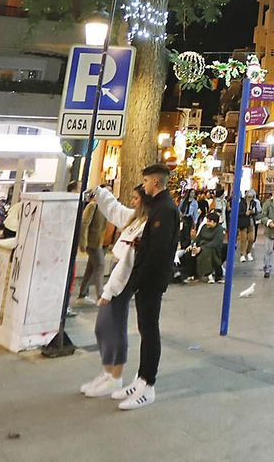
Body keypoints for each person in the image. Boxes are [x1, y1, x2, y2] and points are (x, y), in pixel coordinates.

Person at [110, 164, 180, 410]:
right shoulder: (158, 207)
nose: (145, 185)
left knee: (150, 330)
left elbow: (158, 251)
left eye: (147, 181)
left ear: (156, 182)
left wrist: (139, 279)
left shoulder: (165, 209)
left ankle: (148, 385)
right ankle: (140, 378)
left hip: (151, 280)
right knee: (145, 329)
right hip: (147, 278)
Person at [80, 185, 149, 401]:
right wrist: (100, 192)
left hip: (121, 281)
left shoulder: (144, 225)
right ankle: (108, 372)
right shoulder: (134, 218)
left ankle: (114, 376)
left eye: (137, 197)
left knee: (112, 326)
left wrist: (109, 291)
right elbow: (114, 208)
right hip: (116, 277)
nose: (133, 200)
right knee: (104, 327)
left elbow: (128, 262)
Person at [185, 212, 226, 283]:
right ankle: (192, 274)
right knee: (189, 253)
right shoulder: (204, 227)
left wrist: (201, 248)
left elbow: (215, 242)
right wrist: (192, 245)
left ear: (214, 222)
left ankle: (207, 273)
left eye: (209, 221)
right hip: (200, 245)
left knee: (205, 253)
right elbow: (198, 238)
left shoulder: (219, 229)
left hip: (212, 247)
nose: (207, 223)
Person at [236, 191, 259, 262]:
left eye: (251, 197)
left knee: (251, 239)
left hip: (251, 221)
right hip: (243, 222)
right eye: (249, 197)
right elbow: (238, 212)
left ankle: (248, 252)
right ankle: (242, 254)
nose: (250, 199)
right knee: (243, 239)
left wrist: (253, 212)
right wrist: (245, 213)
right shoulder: (241, 203)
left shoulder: (254, 203)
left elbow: (257, 212)